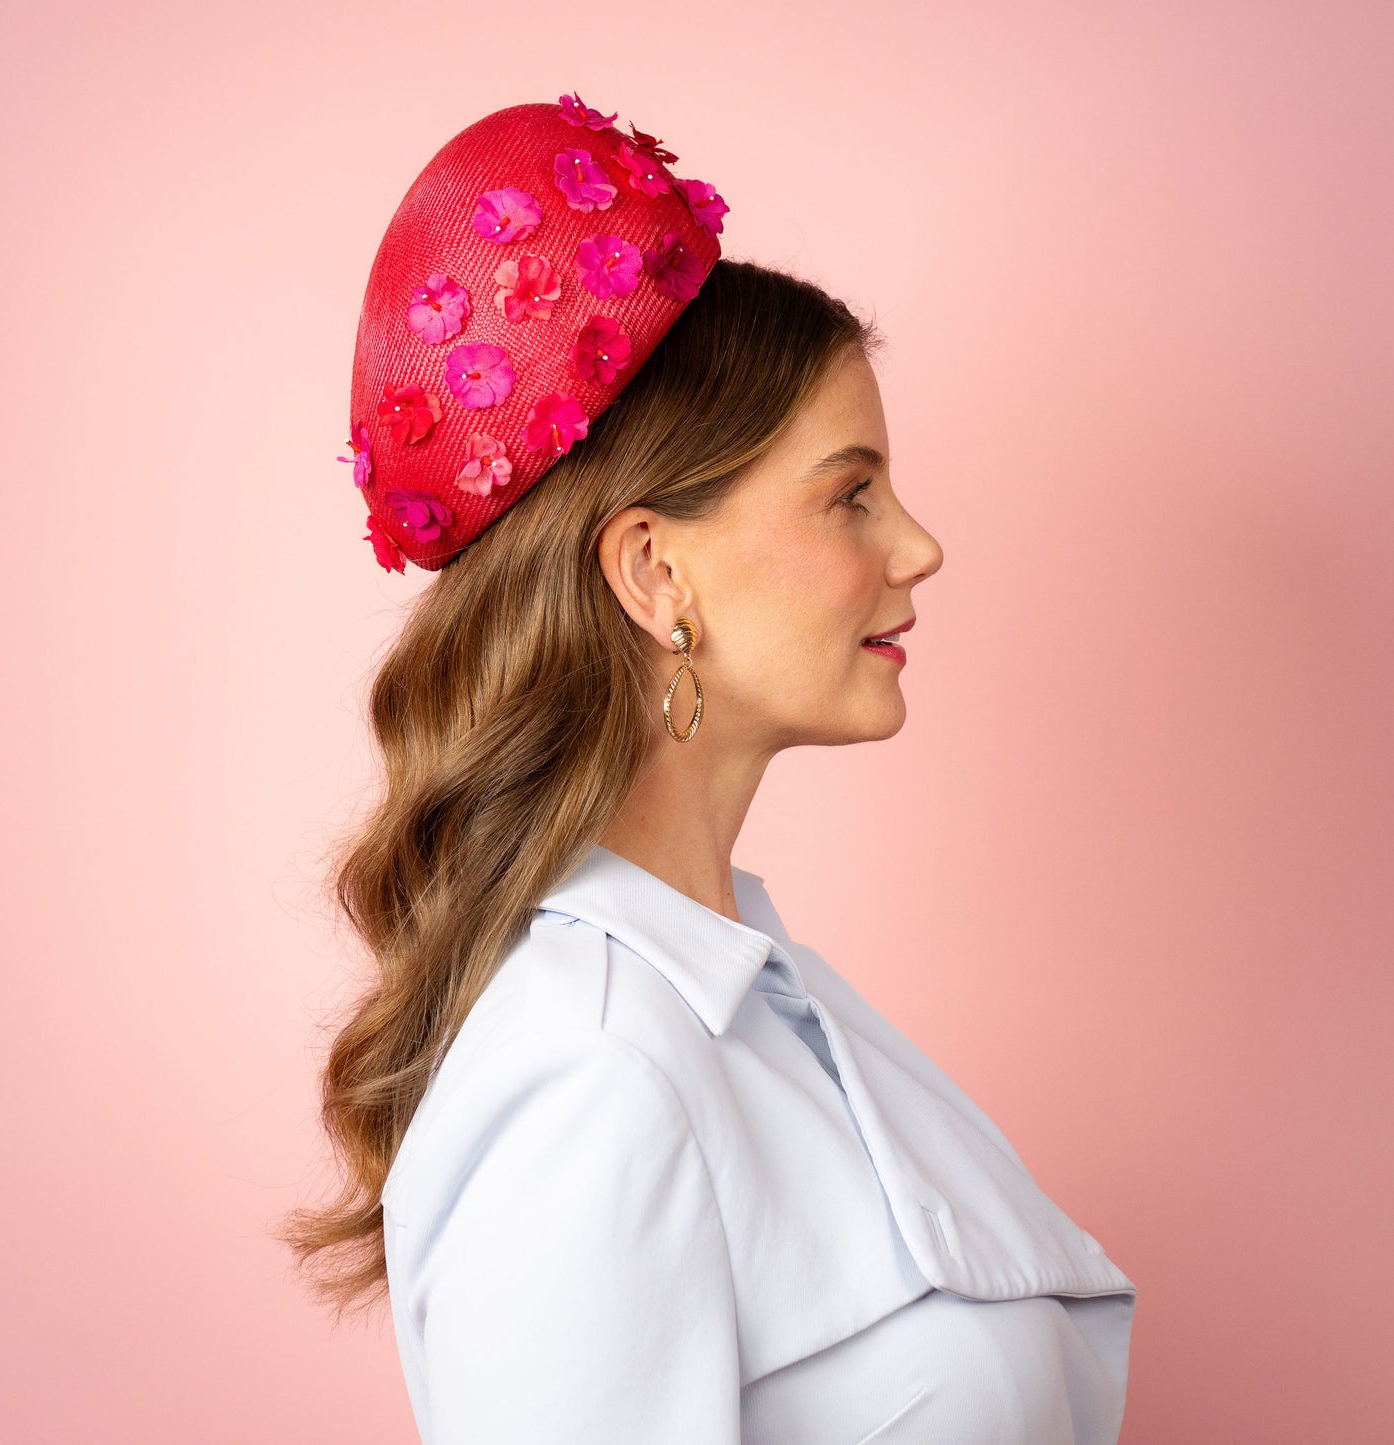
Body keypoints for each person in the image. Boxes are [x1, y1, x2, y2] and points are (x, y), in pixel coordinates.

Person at [279, 96, 1137, 1444]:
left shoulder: (755, 1005)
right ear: (651, 571)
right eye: (847, 492)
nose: (917, 548)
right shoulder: (588, 1070)